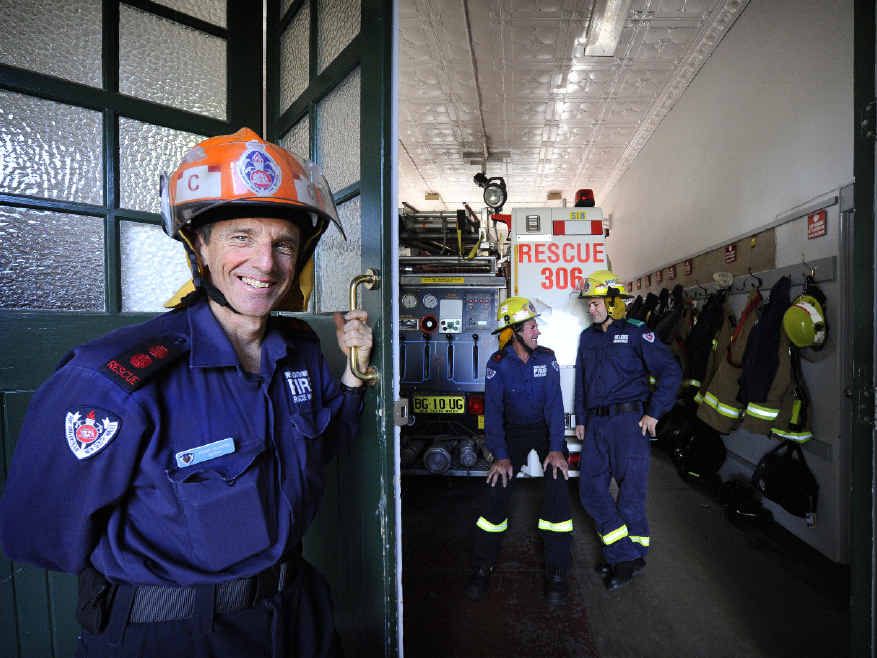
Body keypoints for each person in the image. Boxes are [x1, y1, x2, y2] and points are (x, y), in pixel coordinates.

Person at [0, 128, 373, 657]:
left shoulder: (302, 349)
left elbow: (323, 445)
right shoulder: (111, 380)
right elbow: (41, 531)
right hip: (174, 636)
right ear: (199, 246)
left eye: (282, 243)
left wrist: (354, 372)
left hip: (294, 617)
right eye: (240, 237)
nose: (265, 264)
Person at [574, 270, 681, 591]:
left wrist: (654, 413)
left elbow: (670, 371)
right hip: (595, 425)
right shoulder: (587, 338)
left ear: (612, 302)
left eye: (595, 303)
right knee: (591, 490)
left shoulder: (637, 333)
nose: (590, 309)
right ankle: (626, 555)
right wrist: (581, 418)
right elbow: (581, 381)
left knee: (630, 497)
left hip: (629, 424)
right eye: (588, 305)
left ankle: (628, 559)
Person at [464, 296, 573, 605]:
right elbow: (494, 413)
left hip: (543, 430)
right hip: (512, 433)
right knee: (496, 489)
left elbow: (554, 406)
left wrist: (556, 449)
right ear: (514, 331)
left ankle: (557, 573)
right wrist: (500, 456)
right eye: (531, 326)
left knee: (557, 483)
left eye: (536, 325)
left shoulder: (547, 359)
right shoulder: (497, 365)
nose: (537, 332)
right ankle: (482, 567)